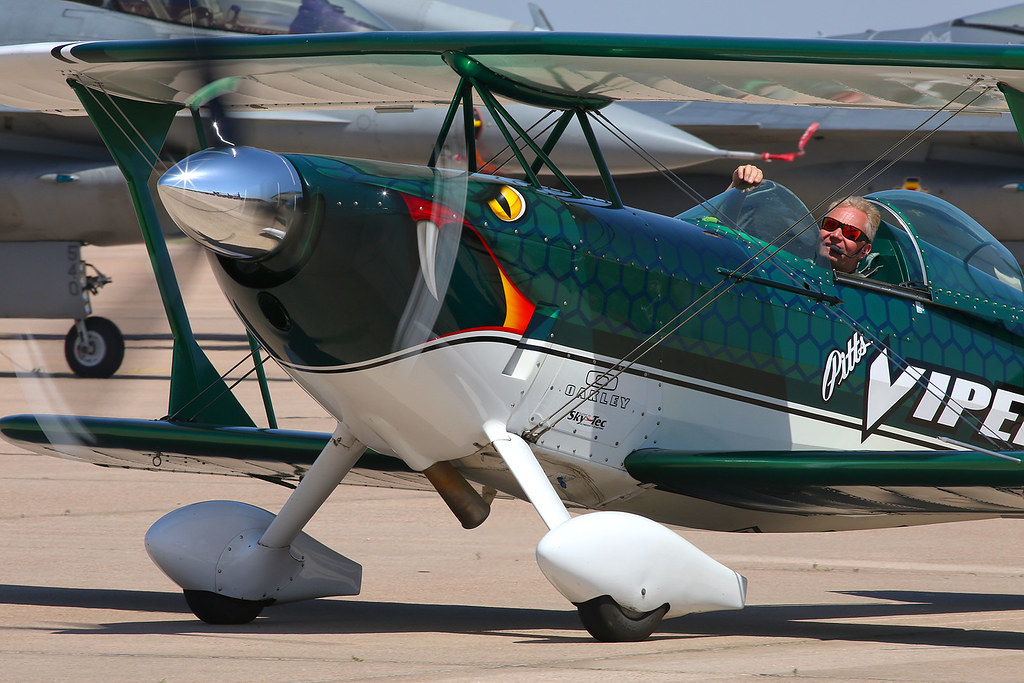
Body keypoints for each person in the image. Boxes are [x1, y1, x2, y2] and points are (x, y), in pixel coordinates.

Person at [724, 164, 879, 274]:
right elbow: (722, 236)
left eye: (851, 233)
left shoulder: (871, 295)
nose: (836, 235)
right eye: (830, 225)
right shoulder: (787, 266)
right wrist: (738, 188)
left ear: (864, 250)